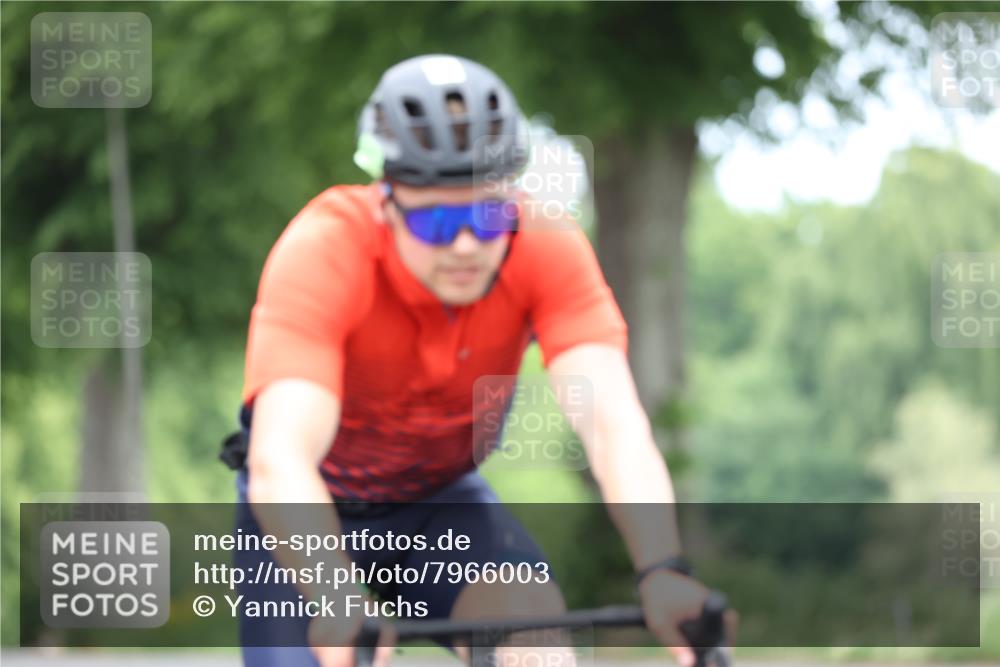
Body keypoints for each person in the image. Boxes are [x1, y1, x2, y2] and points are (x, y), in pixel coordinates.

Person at [232, 54, 710, 667]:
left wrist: (662, 566)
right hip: (306, 501)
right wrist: (333, 591)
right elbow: (281, 457)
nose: (464, 245)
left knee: (534, 646)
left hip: (438, 501)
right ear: (386, 203)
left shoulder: (545, 245)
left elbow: (613, 425)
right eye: (436, 221)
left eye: (487, 216)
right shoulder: (326, 248)